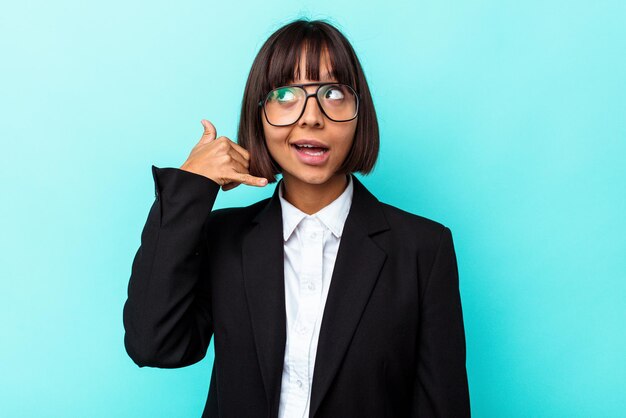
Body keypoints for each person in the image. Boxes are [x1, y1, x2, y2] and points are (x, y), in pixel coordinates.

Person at [123, 18, 470, 418]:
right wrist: (191, 187)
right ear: (259, 114)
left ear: (361, 114)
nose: (311, 117)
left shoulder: (423, 249)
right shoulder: (224, 238)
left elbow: (442, 406)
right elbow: (153, 343)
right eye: (286, 94)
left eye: (333, 92)